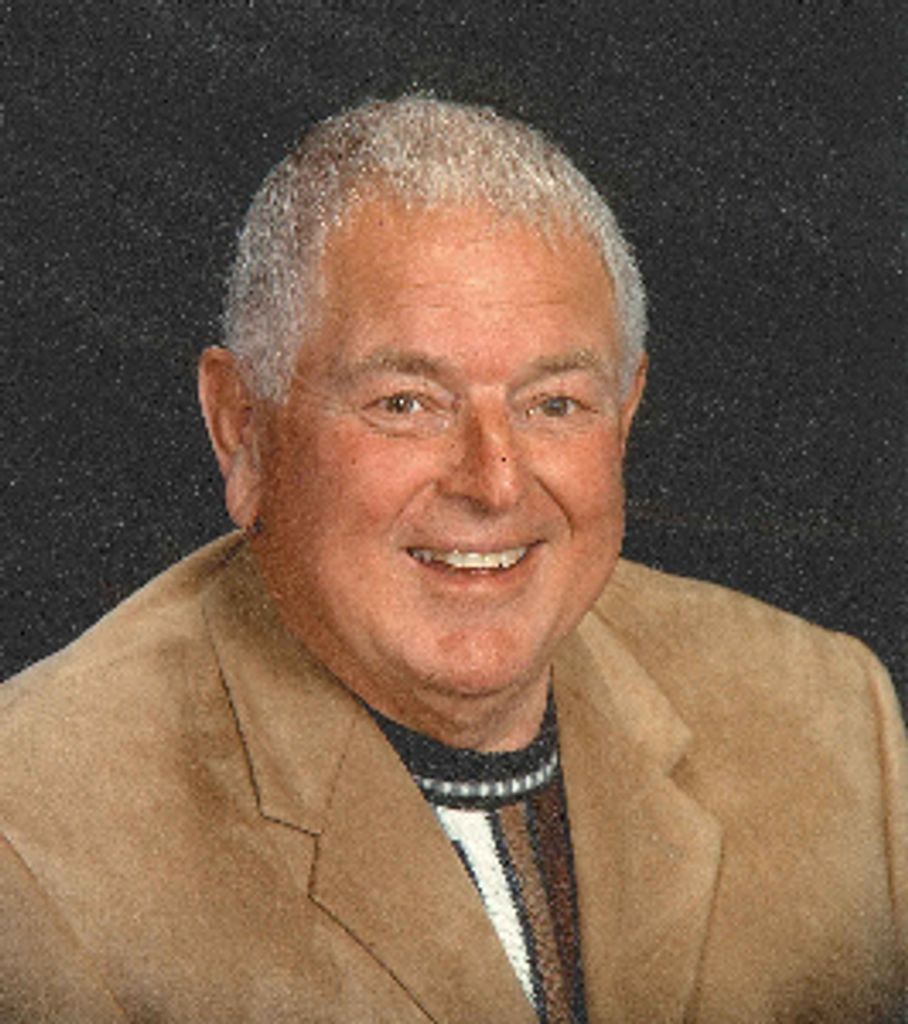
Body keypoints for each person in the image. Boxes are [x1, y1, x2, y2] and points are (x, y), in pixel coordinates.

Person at [1, 96, 905, 1024]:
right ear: (243, 430)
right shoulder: (31, 841)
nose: (494, 481)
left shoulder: (833, 720)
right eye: (405, 403)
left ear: (625, 415)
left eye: (554, 404)